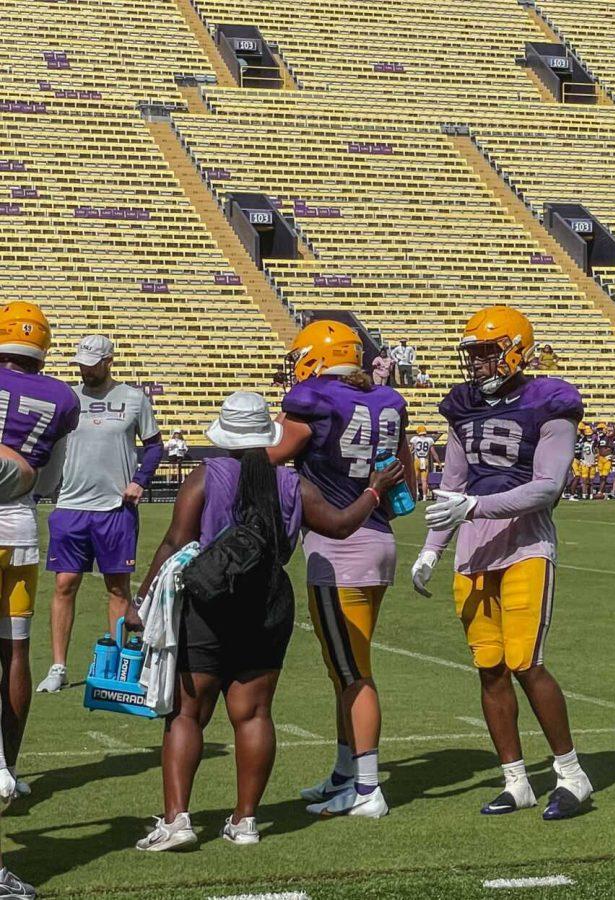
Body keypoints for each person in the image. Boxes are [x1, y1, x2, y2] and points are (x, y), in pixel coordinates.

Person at [128, 392, 406, 852]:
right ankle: (246, 819)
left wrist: (141, 600)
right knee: (254, 714)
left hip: (208, 601)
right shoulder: (292, 484)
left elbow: (175, 542)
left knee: (187, 715)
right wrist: (374, 490)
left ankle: (177, 820)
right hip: (269, 602)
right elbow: (338, 526)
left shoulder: (206, 475)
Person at [410, 306, 594, 821]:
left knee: (525, 662)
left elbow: (548, 487)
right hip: (473, 550)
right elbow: (451, 486)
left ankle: (572, 776)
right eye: (474, 353)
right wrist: (431, 547)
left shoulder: (549, 404)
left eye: (488, 351)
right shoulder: (463, 407)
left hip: (524, 545)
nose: (479, 363)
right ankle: (516, 781)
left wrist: (477, 507)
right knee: (488, 667)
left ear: (516, 349)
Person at [269, 320, 413, 819]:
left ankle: (369, 787)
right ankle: (345, 771)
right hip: (377, 536)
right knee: (344, 670)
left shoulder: (314, 401)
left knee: (354, 673)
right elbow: (406, 474)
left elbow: (277, 453)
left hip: (339, 547)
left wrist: (236, 454)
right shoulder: (387, 401)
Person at [37, 335, 163, 694]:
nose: (85, 368)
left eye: (92, 362)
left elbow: (155, 447)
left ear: (109, 361)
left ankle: (120, 667)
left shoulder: (135, 399)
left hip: (115, 509)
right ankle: (58, 667)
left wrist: (140, 480)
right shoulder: (67, 399)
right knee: (64, 585)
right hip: (71, 507)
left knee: (117, 586)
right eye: (81, 362)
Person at [0, 302, 79, 869]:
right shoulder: (63, 398)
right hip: (21, 525)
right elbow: (47, 476)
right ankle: (6, 764)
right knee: (15, 647)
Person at [409, 425, 439, 502]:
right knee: (424, 480)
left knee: (415, 479)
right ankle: (425, 497)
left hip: (417, 460)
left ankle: (417, 494)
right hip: (425, 461)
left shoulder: (415, 439)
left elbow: (410, 450)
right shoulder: (429, 440)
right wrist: (439, 462)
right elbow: (434, 453)